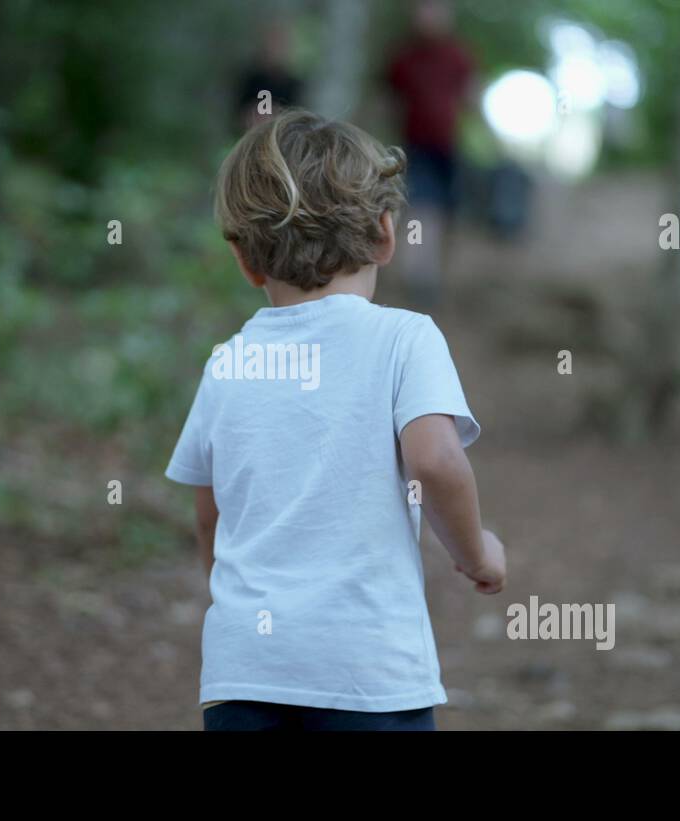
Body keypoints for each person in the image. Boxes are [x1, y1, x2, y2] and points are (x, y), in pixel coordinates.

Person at [164, 109, 507, 731]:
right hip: (368, 677)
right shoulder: (406, 340)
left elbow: (209, 506)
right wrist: (478, 553)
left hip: (244, 673)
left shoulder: (228, 363)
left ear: (245, 260)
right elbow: (433, 461)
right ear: (384, 233)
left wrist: (237, 599)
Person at [385, 0, 478, 307]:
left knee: (448, 212)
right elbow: (387, 98)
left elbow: (472, 95)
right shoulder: (404, 58)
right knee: (422, 208)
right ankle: (419, 275)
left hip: (449, 147)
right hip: (416, 147)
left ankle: (438, 276)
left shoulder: (458, 56)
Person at [233, 20, 303, 132]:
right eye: (272, 42)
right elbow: (237, 116)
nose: (275, 48)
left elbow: (299, 120)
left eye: (280, 43)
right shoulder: (250, 79)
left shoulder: (294, 84)